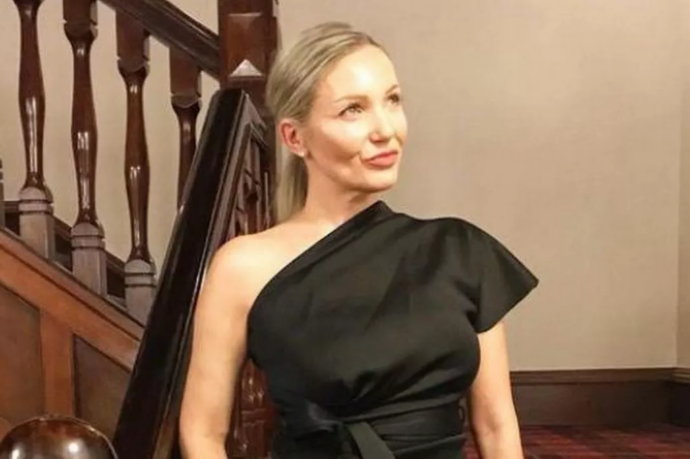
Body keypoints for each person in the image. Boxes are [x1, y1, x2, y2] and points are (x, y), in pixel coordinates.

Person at [179, 21, 538, 459]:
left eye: (392, 100)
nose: (385, 129)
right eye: (353, 110)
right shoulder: (242, 268)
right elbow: (202, 433)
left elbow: (497, 428)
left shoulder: (459, 251)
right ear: (294, 137)